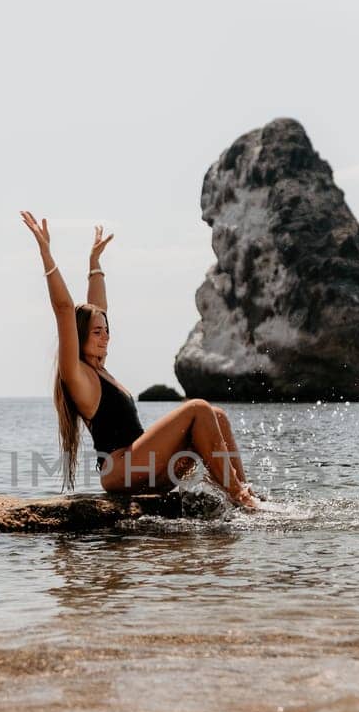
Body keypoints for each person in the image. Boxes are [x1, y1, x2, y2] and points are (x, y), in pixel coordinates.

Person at [20, 210, 261, 510]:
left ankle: (244, 496)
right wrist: (46, 254)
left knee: (217, 415)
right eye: (97, 332)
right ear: (79, 337)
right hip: (120, 471)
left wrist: (95, 265)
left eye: (107, 330)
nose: (105, 336)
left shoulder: (101, 370)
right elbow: (64, 309)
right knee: (197, 408)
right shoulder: (78, 375)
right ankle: (242, 498)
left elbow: (98, 309)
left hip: (144, 466)